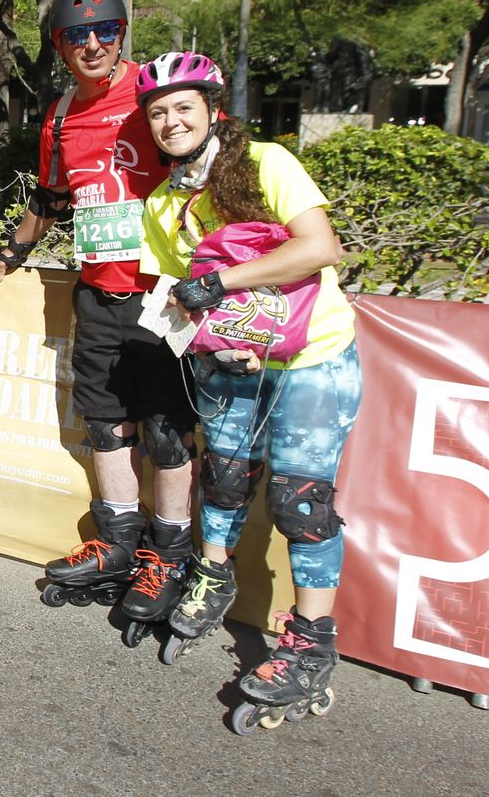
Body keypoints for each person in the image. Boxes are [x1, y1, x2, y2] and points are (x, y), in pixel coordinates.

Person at [135, 51, 357, 730]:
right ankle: (213, 575)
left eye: (182, 107)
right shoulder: (162, 202)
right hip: (233, 362)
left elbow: (321, 246)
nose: (170, 120)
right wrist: (209, 333)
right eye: (157, 111)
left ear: (210, 109)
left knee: (300, 502)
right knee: (225, 479)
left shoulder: (265, 162)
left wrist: (223, 284)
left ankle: (312, 644)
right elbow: (179, 296)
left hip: (311, 358)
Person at [0, 0, 196, 629]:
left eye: (104, 31)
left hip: (163, 295)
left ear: (122, 33)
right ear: (57, 45)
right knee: (108, 425)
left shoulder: (154, 95)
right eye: (75, 35)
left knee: (166, 430)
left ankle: (168, 554)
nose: (91, 45)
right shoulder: (59, 117)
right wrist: (3, 259)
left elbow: (208, 173)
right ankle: (117, 546)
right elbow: (49, 201)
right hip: (99, 292)